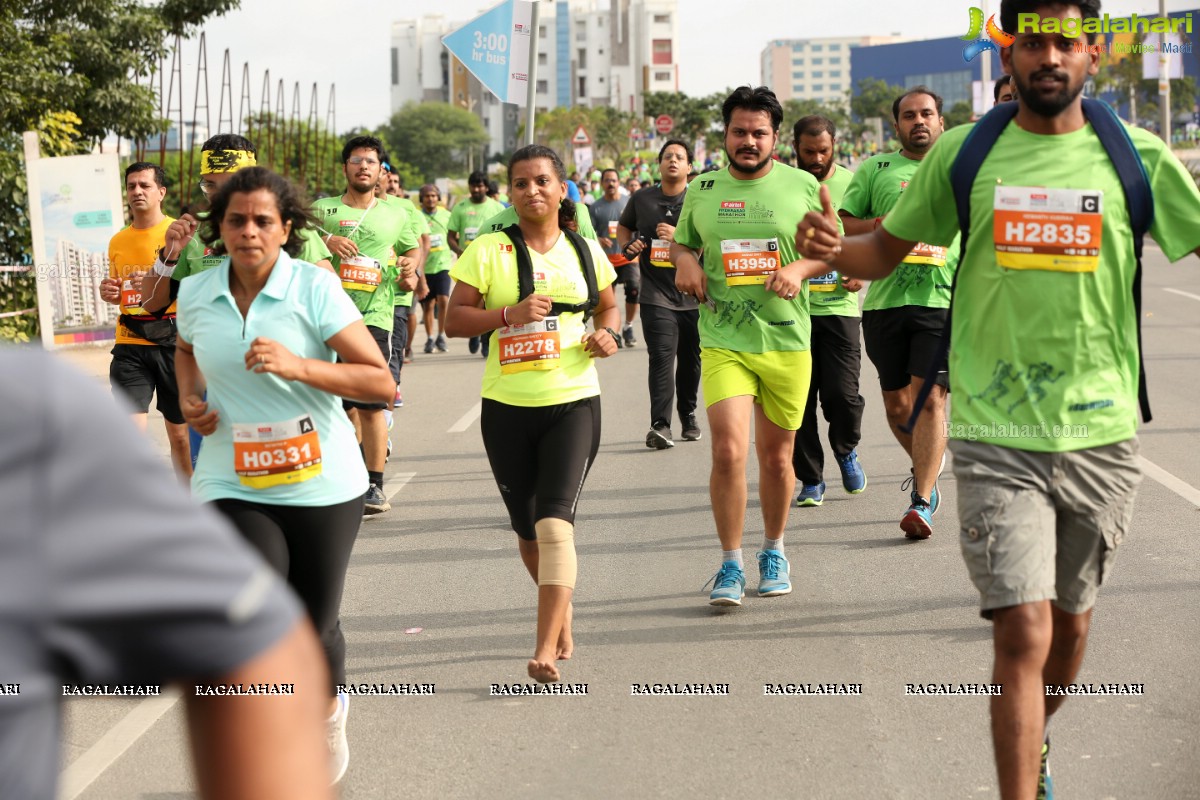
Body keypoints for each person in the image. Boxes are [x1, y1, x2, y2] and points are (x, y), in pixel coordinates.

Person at [797, 1, 1200, 796]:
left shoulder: (1137, 156)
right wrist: (830, 250)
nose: (1049, 55)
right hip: (994, 428)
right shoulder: (967, 153)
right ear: (1007, 51)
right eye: (1033, 41)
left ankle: (1037, 736)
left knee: (1071, 625)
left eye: (1066, 41)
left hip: (1100, 432)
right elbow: (882, 248)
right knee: (1022, 627)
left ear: (1091, 52)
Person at [0, 348, 335, 799]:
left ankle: (183, 514)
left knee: (177, 442)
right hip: (145, 365)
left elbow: (250, 637)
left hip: (302, 471)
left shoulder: (25, 417)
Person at [175, 166, 395, 784]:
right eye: (236, 220)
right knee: (256, 613)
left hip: (322, 479)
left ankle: (327, 712)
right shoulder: (195, 292)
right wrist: (193, 396)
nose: (249, 231)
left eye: (262, 220)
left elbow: (380, 381)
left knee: (313, 623)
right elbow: (186, 348)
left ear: (286, 228)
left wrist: (300, 367)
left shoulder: (314, 289)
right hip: (230, 477)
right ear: (219, 229)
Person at [445, 144, 619, 683]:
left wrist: (607, 333)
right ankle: (561, 614)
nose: (531, 190)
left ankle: (544, 647)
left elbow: (608, 304)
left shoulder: (586, 250)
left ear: (562, 189)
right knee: (526, 528)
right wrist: (507, 314)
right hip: (505, 407)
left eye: (542, 180)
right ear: (510, 193)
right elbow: (454, 320)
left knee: (553, 521)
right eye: (520, 183)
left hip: (572, 400)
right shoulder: (487, 250)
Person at [671, 85, 823, 607]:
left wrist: (800, 268)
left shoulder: (802, 185)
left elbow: (833, 248)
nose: (749, 141)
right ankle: (731, 562)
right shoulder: (703, 187)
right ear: (726, 134)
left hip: (786, 341)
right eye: (740, 131)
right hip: (723, 337)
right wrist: (685, 261)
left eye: (759, 133)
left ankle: (774, 549)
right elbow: (681, 241)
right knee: (729, 450)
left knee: (778, 460)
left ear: (775, 137)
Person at [140, 134, 334, 470]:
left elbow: (329, 291)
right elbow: (150, 303)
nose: (217, 194)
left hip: (277, 384)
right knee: (220, 491)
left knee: (283, 483)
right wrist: (169, 255)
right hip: (213, 389)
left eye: (227, 184)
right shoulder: (193, 233)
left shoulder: (278, 226)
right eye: (209, 185)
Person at [839, 87, 958, 539]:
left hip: (942, 300)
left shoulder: (960, 169)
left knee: (929, 399)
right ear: (896, 126)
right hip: (886, 303)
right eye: (909, 116)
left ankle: (922, 499)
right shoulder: (876, 169)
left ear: (940, 121)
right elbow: (846, 222)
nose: (919, 121)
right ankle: (928, 464)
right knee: (896, 407)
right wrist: (882, 226)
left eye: (927, 113)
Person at [313, 135, 420, 514]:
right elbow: (293, 241)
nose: (363, 166)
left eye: (370, 161)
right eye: (356, 160)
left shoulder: (396, 213)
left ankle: (374, 486)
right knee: (339, 406)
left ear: (380, 171)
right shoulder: (320, 210)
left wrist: (410, 267)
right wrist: (329, 238)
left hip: (374, 316)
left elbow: (411, 249)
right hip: (324, 317)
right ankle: (347, 474)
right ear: (345, 168)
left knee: (373, 403)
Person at [790, 116, 867, 505]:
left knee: (842, 395)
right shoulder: (784, 185)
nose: (817, 159)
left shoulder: (853, 182)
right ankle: (811, 479)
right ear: (795, 148)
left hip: (839, 307)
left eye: (823, 151)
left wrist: (860, 270)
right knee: (799, 400)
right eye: (809, 152)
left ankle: (846, 449)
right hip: (793, 309)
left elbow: (866, 233)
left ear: (834, 145)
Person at [98, 162, 190, 478]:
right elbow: (117, 288)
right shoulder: (117, 240)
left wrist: (157, 282)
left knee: (180, 437)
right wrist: (109, 291)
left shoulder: (180, 233)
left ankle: (188, 508)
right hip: (129, 343)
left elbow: (196, 284)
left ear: (161, 192)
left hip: (172, 345)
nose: (137, 191)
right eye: (131, 185)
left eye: (145, 185)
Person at [617, 139, 702, 449]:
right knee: (662, 359)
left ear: (689, 167)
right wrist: (629, 246)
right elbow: (624, 228)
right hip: (656, 295)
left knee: (691, 361)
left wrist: (679, 237)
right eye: (668, 156)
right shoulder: (641, 199)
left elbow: (711, 241)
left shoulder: (699, 200)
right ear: (659, 163)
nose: (673, 161)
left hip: (694, 294)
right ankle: (660, 424)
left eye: (680, 157)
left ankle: (688, 413)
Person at [590, 168, 639, 347]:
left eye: (614, 180)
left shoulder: (629, 203)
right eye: (607, 180)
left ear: (619, 183)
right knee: (607, 301)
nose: (611, 183)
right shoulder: (596, 207)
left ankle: (628, 326)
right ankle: (613, 331)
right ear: (602, 184)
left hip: (629, 257)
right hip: (606, 261)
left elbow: (639, 226)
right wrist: (599, 239)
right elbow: (589, 233)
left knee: (634, 290)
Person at [418, 184, 454, 353]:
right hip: (425, 267)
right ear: (421, 199)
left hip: (443, 265)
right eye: (427, 196)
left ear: (438, 197)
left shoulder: (447, 215)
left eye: (433, 195)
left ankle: (441, 335)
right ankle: (430, 338)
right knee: (428, 305)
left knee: (444, 299)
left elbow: (454, 236)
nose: (430, 199)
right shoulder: (417, 217)